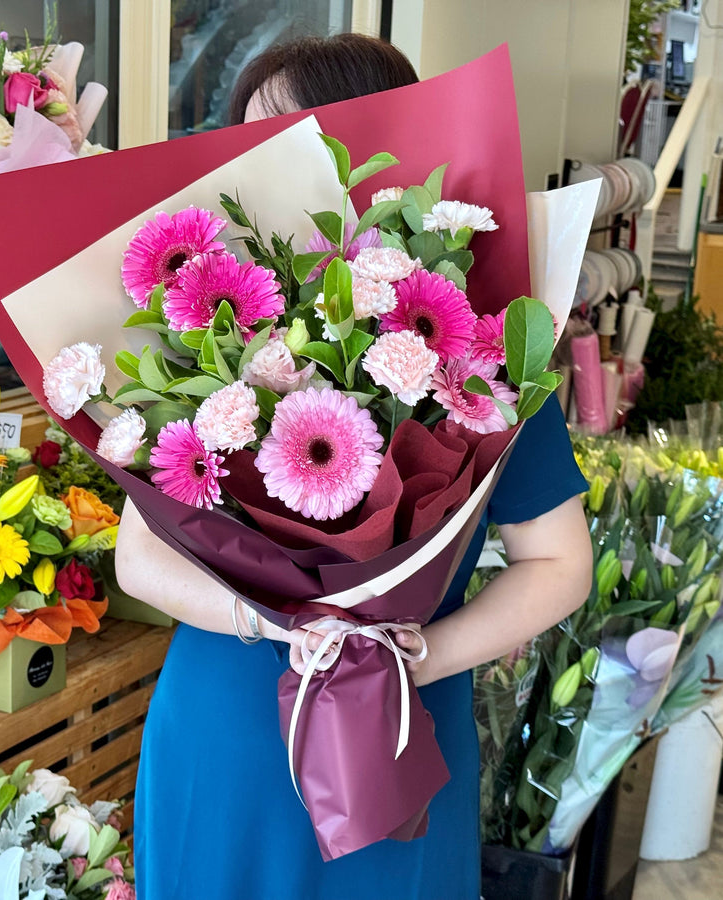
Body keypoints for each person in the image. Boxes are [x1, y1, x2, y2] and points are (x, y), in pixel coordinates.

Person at [116, 33, 592, 900]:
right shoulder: (204, 342)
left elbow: (560, 565)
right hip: (227, 730)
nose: (273, 174)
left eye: (303, 143)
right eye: (254, 151)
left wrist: (420, 654)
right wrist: (271, 626)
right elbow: (139, 557)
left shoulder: (483, 346)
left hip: (401, 731)